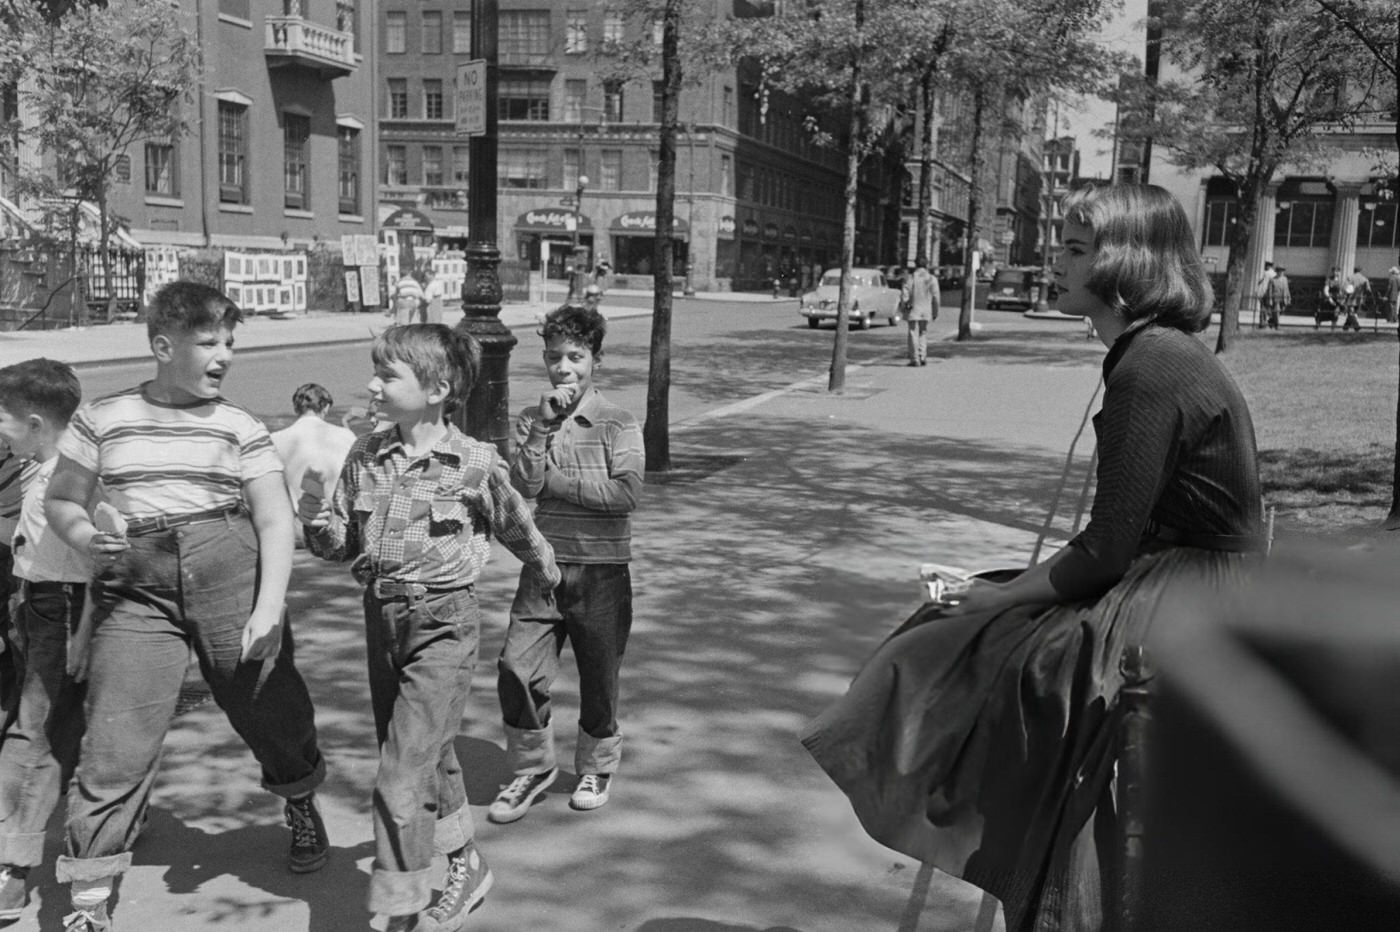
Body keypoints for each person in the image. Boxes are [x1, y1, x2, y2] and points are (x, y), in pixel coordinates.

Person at [801, 184, 1264, 932]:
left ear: (1126, 264)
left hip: (1182, 593)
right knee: (977, 632)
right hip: (1186, 576)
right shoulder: (1151, 354)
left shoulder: (1149, 367)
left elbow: (1105, 552)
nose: (1055, 261)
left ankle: (1030, 873)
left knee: (959, 647)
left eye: (1076, 250)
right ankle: (1018, 858)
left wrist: (998, 595)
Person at [45, 281, 329, 932]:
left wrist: (269, 605)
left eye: (230, 342)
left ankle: (299, 799)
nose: (224, 354)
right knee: (116, 735)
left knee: (270, 708)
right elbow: (62, 500)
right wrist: (89, 536)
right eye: (209, 342)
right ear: (163, 345)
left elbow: (274, 518)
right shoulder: (104, 418)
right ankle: (89, 900)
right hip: (136, 584)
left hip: (227, 567)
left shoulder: (240, 426)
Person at [299, 323, 560, 932]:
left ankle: (400, 908)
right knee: (429, 754)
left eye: (387, 374)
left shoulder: (474, 462)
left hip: (444, 622)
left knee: (401, 771)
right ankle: (466, 864)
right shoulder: (365, 455)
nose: (371, 384)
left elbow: (519, 526)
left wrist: (551, 576)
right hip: (383, 619)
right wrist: (314, 517)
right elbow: (341, 545)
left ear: (438, 387)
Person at [489, 304, 644, 825]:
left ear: (595, 359)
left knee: (600, 674)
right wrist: (538, 434)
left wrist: (560, 485)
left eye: (575, 357)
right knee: (517, 666)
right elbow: (524, 485)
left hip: (602, 570)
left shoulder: (619, 421)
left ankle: (597, 765)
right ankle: (533, 767)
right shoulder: (535, 419)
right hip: (545, 565)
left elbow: (626, 493)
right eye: (555, 357)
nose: (564, 369)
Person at [0, 359, 88, 924]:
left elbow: (103, 561)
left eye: (2, 418)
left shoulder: (73, 477)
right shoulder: (35, 464)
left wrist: (82, 632)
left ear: (34, 422)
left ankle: (13, 868)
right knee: (60, 729)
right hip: (34, 603)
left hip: (65, 609)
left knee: (33, 735)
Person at [270, 383, 357, 544]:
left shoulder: (275, 440)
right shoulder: (346, 436)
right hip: (338, 525)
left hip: (297, 529)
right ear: (325, 407)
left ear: (297, 409)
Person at [898, 258, 940, 367]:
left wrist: (904, 307)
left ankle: (915, 358)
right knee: (923, 333)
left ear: (916, 265)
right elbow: (936, 297)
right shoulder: (932, 279)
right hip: (926, 310)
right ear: (927, 265)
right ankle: (922, 356)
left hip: (913, 309)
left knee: (913, 333)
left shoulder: (911, 278)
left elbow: (904, 294)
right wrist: (935, 311)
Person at [1341, 266, 1371, 331]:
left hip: (1350, 298)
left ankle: (1356, 326)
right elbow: (1368, 290)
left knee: (1351, 313)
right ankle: (1345, 327)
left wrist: (1344, 295)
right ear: (1360, 271)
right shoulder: (1364, 279)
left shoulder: (1350, 277)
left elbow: (1344, 287)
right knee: (1353, 312)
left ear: (1354, 271)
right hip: (1359, 299)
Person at [1263, 265, 1291, 330]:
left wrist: (1289, 297)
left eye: (1282, 271)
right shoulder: (1272, 280)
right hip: (1275, 298)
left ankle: (1271, 321)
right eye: (1279, 271)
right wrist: (1270, 300)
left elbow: (1287, 289)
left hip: (1283, 298)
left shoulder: (1285, 279)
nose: (1281, 273)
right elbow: (1269, 291)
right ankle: (1277, 325)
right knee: (1276, 311)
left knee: (1280, 311)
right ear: (1277, 272)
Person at [1385, 256, 1400, 323]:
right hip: (1396, 294)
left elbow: (1389, 287)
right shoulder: (1397, 278)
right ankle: (1395, 319)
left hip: (1391, 294)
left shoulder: (1391, 278)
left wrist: (1386, 295)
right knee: (1395, 307)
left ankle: (1391, 319)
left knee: (1391, 307)